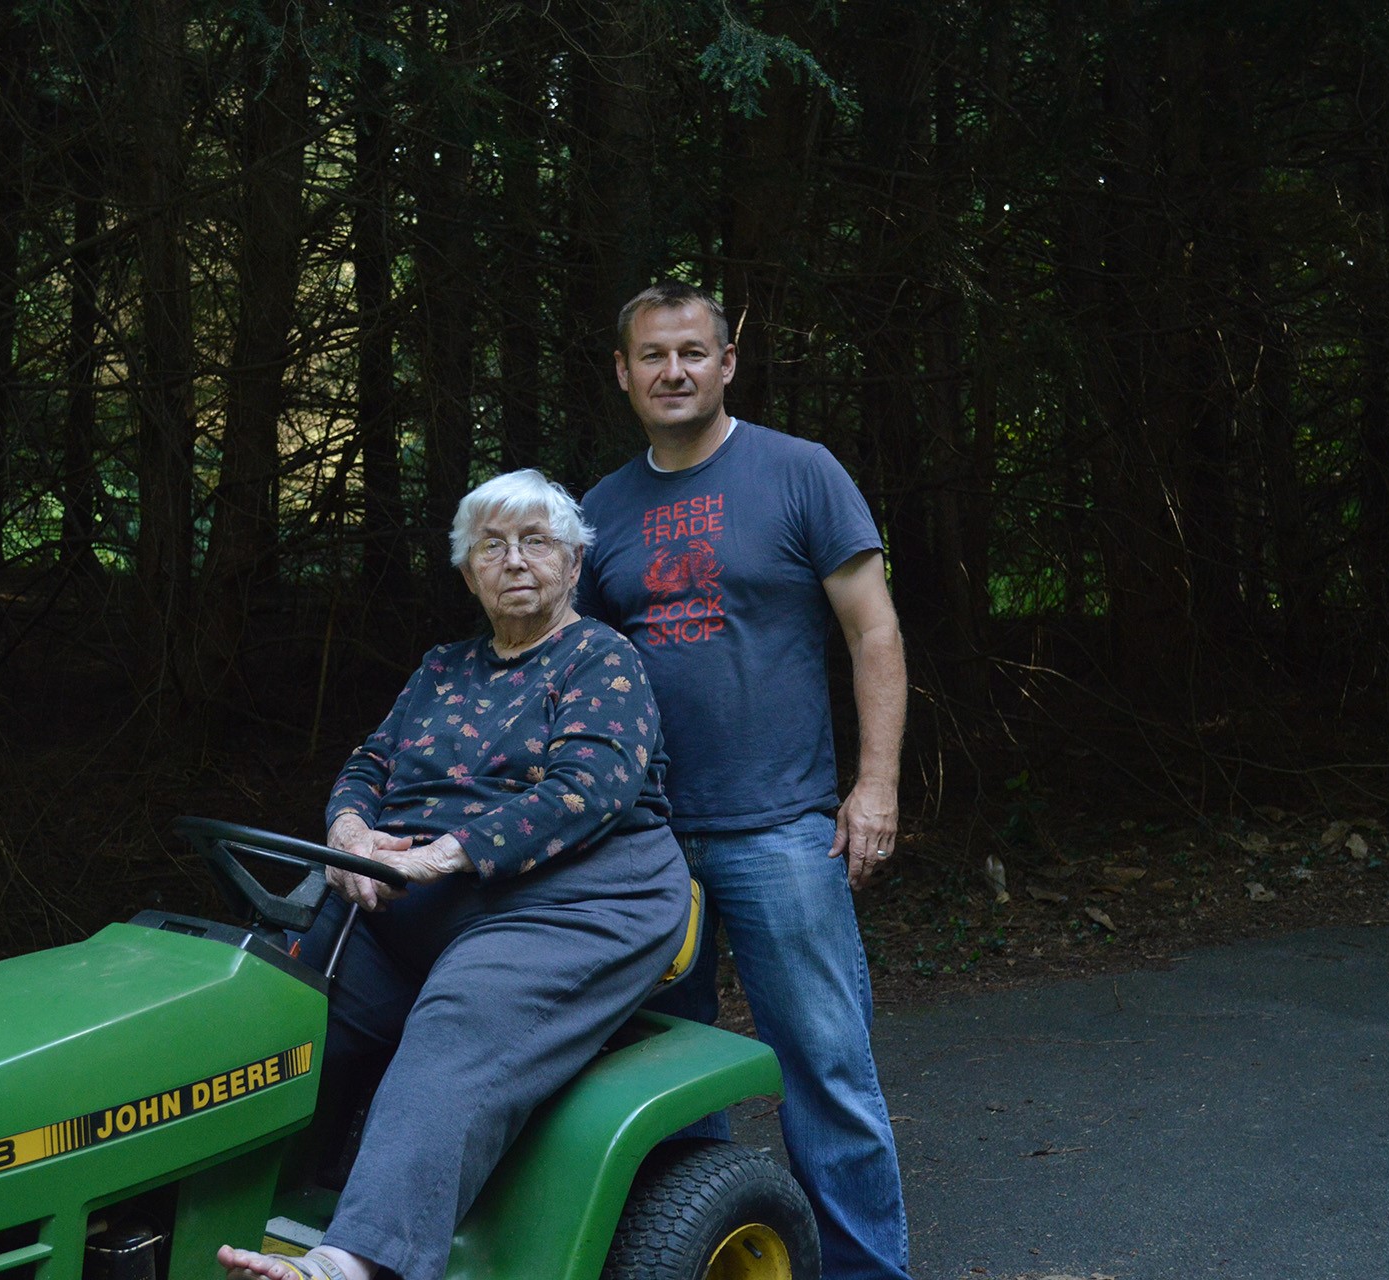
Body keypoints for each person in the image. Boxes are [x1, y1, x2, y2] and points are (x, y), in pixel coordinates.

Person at [218, 469, 691, 1280]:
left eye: (536, 542)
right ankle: (233, 1214)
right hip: (418, 895)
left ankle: (355, 1263)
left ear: (573, 564)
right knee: (281, 997)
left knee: (461, 1016)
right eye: (491, 546)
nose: (514, 561)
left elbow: (587, 791)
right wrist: (352, 832)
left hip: (576, 899)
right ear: (468, 571)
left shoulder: (599, 659)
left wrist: (436, 856)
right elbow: (370, 760)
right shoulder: (443, 666)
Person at [578, 281, 913, 1280]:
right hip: (647, 847)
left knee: (826, 1073)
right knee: (667, 1080)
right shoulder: (596, 511)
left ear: (727, 362)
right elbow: (580, 678)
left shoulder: (799, 473)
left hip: (782, 832)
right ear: (623, 372)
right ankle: (713, 1255)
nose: (672, 370)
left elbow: (874, 630)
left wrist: (875, 784)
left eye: (691, 351)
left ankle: (865, 1273)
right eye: (651, 355)